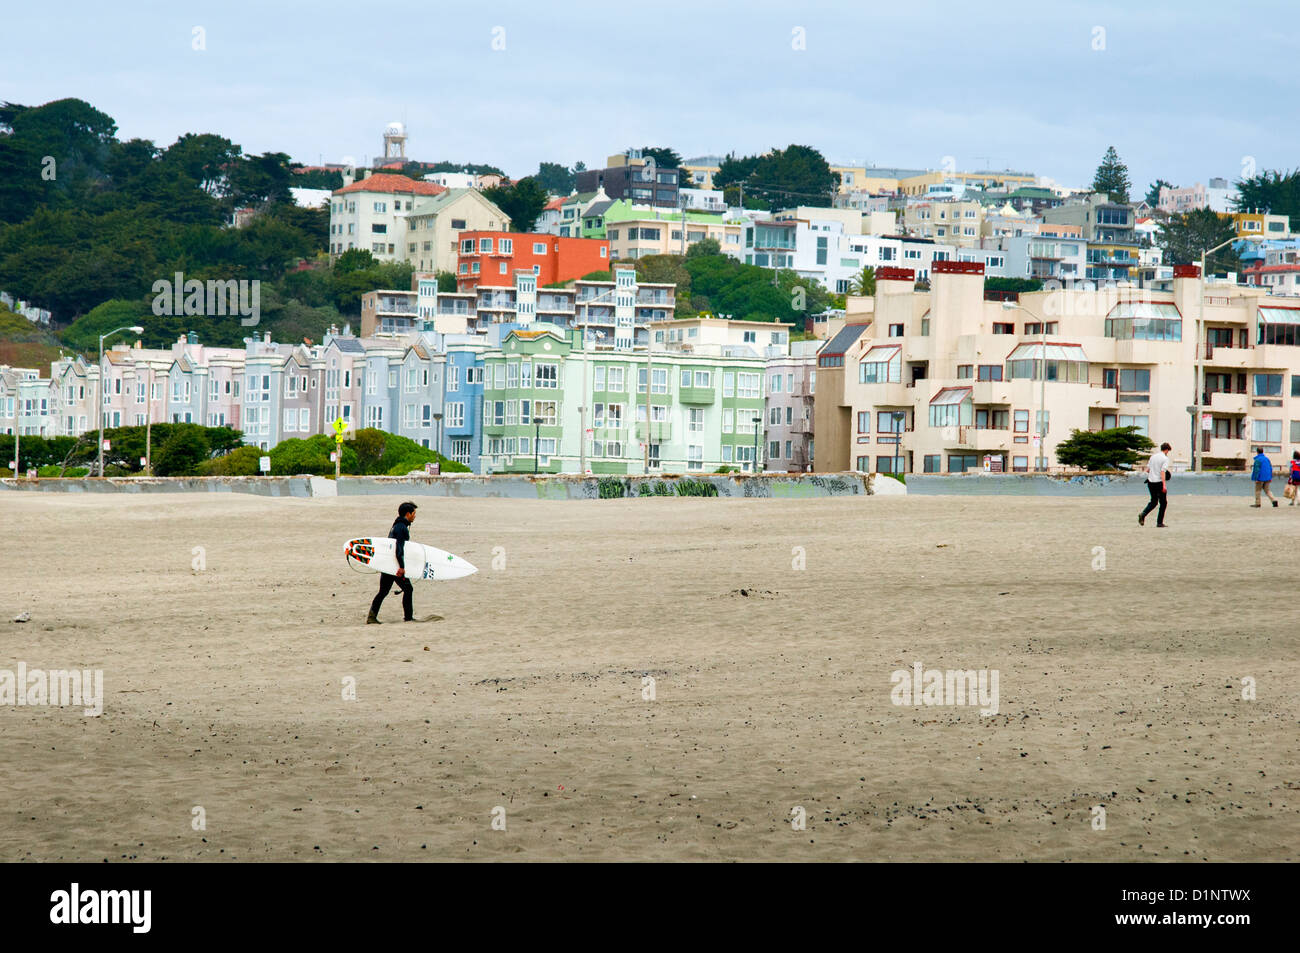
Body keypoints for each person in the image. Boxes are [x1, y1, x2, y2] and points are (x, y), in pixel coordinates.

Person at [367, 501, 418, 624]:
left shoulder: (396, 525)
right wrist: (401, 567)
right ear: (408, 514)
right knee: (408, 589)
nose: (415, 516)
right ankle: (408, 617)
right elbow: (398, 548)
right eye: (414, 513)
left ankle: (371, 617)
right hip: (393, 565)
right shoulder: (401, 528)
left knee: (383, 592)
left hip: (387, 564)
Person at [1139, 442, 1172, 528]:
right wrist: (1164, 485)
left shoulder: (1153, 457)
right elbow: (1162, 472)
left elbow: (1148, 470)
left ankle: (1143, 514)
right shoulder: (1165, 458)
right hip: (1159, 482)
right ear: (1167, 450)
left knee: (1154, 501)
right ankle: (1159, 522)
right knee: (1163, 503)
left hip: (1150, 482)